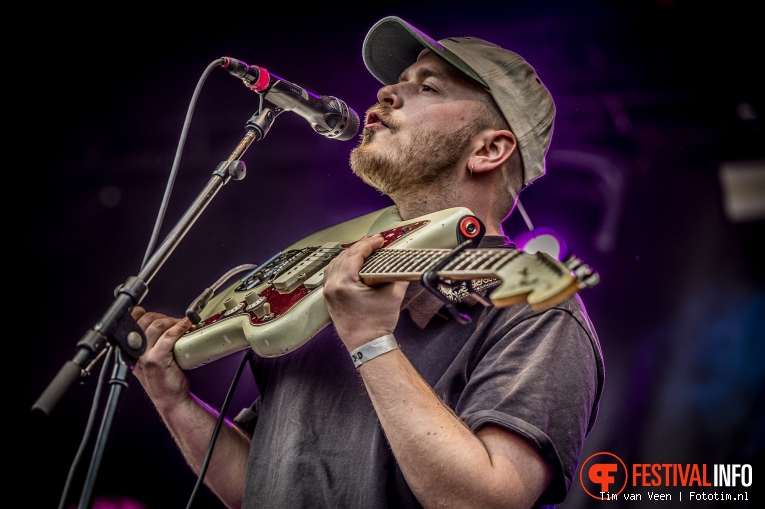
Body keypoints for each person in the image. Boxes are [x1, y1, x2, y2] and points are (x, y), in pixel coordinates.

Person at [131, 15, 604, 509]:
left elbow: (487, 500)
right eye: (396, 82)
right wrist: (174, 401)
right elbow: (259, 483)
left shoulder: (535, 310)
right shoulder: (327, 283)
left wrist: (371, 342)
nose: (386, 94)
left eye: (429, 88)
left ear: (489, 149)